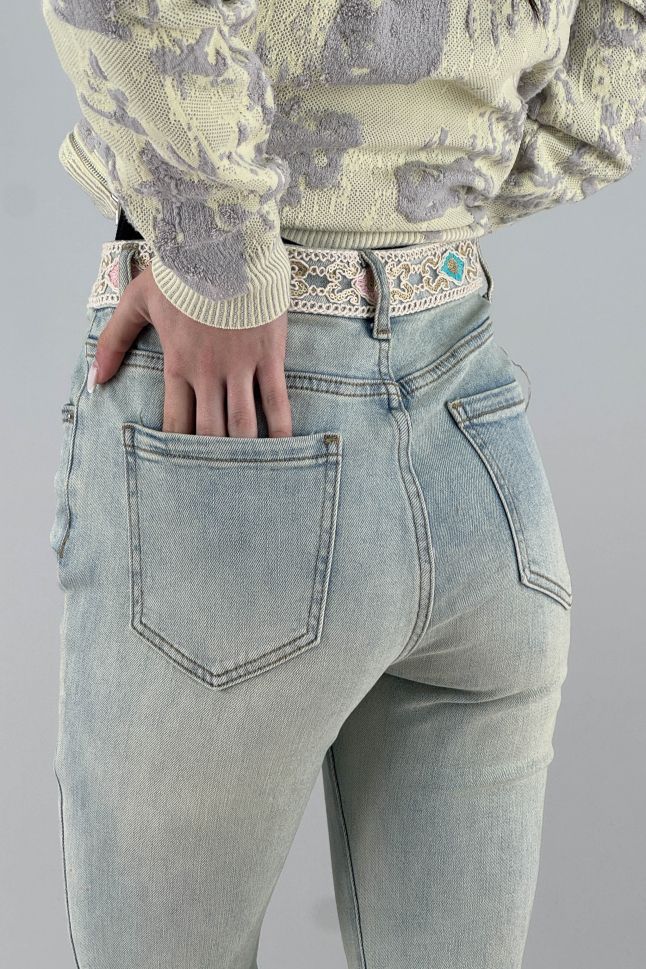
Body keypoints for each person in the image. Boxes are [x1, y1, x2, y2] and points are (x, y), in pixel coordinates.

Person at [42, 1, 645, 967]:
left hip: (242, 427)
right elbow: (609, 71)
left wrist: (223, 262)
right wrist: (427, 196)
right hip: (476, 435)